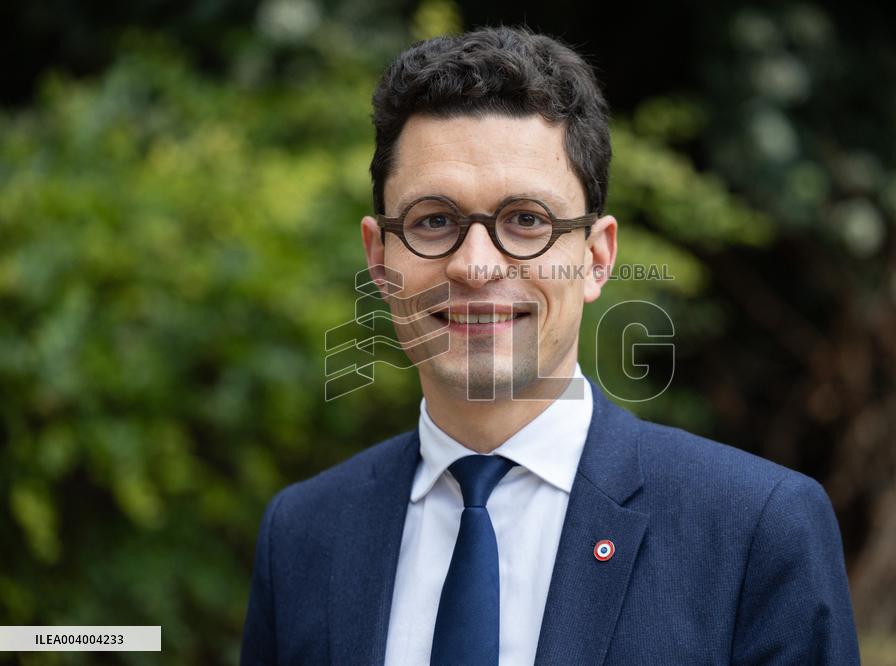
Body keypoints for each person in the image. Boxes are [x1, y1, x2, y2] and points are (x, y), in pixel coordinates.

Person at [240, 25, 860, 665]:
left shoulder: (757, 530)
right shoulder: (303, 535)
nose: (476, 266)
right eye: (434, 222)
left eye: (526, 221)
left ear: (596, 257)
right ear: (378, 257)